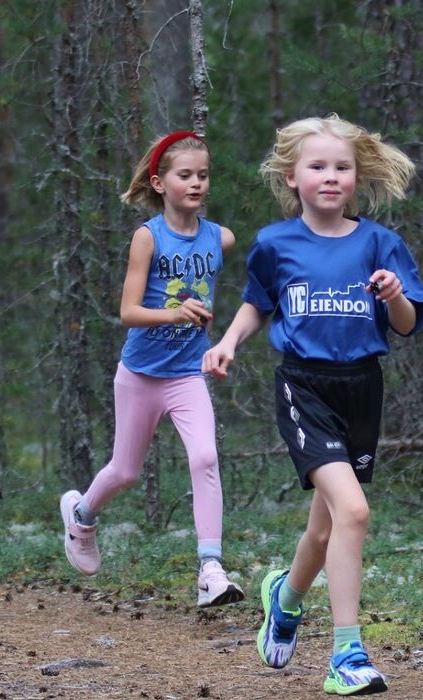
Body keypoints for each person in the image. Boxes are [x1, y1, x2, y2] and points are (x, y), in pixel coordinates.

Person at [202, 115, 423, 696]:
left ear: (357, 177)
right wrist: (229, 342)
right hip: (303, 386)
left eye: (342, 168)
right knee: (354, 512)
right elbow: (259, 304)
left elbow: (407, 325)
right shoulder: (276, 244)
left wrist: (395, 295)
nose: (331, 177)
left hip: (361, 387)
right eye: (318, 167)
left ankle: (284, 599)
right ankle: (347, 654)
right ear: (292, 177)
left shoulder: (381, 243)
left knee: (328, 527)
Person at [58, 130, 245, 609]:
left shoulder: (219, 238)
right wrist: (175, 313)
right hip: (141, 374)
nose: (197, 183)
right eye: (185, 175)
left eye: (203, 175)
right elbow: (127, 311)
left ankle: (210, 569)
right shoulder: (148, 237)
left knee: (205, 457)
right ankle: (81, 515)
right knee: (124, 471)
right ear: (160, 183)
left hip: (187, 375)